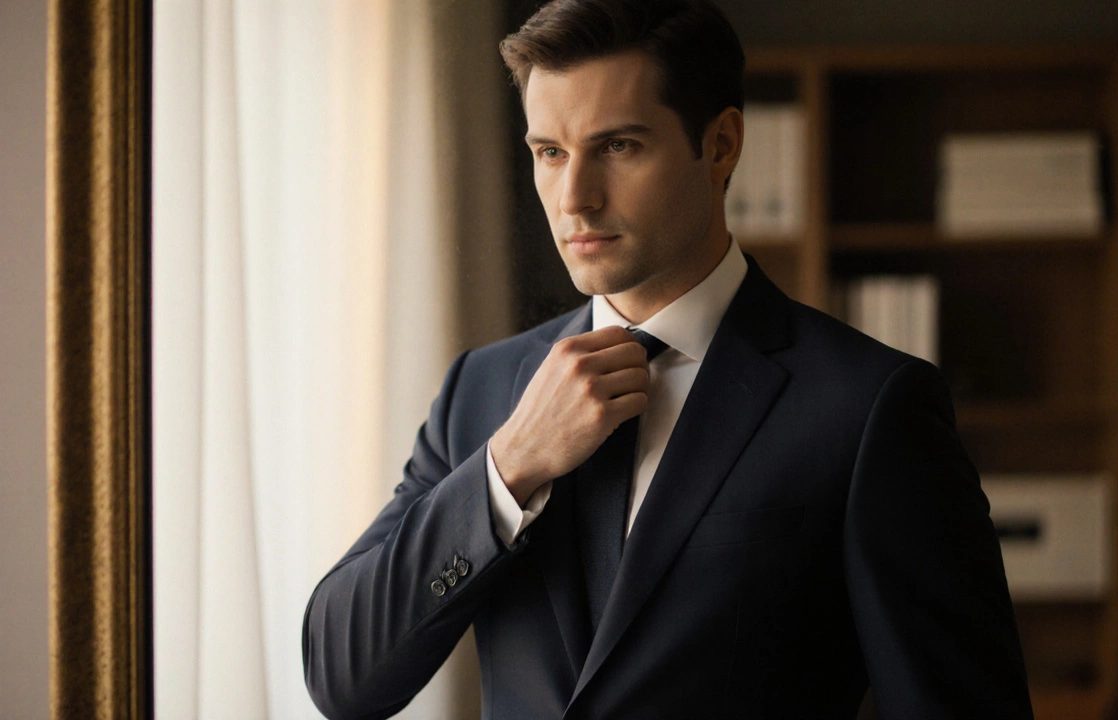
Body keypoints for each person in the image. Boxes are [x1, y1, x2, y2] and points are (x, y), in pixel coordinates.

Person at [303, 1, 1034, 717]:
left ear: (720, 147)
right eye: (549, 153)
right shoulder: (483, 390)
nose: (574, 199)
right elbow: (343, 676)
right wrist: (510, 466)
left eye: (619, 147)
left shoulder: (870, 406)